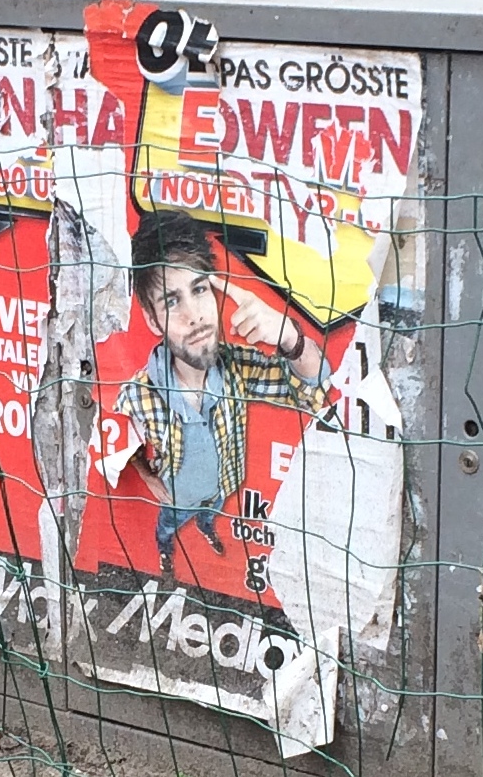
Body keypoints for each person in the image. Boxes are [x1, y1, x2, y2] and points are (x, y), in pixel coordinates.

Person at [115, 208, 328, 574]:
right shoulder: (137, 394)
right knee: (167, 527)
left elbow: (315, 391)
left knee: (209, 514)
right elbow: (117, 442)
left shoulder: (237, 368)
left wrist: (289, 336)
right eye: (171, 301)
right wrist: (147, 475)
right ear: (152, 319)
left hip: (219, 488)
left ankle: (207, 528)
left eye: (199, 289)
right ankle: (165, 550)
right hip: (177, 496)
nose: (195, 315)